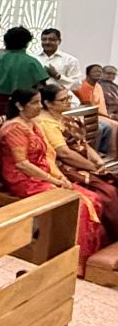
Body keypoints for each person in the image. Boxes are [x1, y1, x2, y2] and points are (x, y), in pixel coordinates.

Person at [0, 88, 105, 275]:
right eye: (34, 103)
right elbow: (22, 164)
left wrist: (61, 178)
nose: (39, 107)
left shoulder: (32, 124)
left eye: (40, 102)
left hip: (42, 174)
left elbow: (48, 155)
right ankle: (69, 261)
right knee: (79, 204)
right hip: (24, 179)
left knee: (93, 198)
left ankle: (77, 253)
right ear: (20, 106)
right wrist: (52, 180)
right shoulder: (14, 129)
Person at [36, 84, 118, 238]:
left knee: (113, 182)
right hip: (65, 167)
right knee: (107, 192)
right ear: (48, 103)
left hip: (81, 162)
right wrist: (91, 166)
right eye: (63, 100)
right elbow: (64, 153)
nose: (68, 101)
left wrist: (97, 160)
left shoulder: (65, 117)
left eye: (68, 97)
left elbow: (83, 144)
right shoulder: (46, 123)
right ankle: (106, 236)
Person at [0, 26, 49, 116]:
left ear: (6, 42)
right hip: (25, 104)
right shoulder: (32, 62)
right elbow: (41, 86)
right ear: (27, 43)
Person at [73, 64, 118, 156]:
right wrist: (108, 115)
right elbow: (88, 107)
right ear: (88, 73)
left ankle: (104, 152)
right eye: (95, 71)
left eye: (99, 72)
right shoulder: (84, 86)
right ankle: (103, 153)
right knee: (110, 126)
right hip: (88, 114)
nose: (98, 74)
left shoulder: (98, 86)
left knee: (110, 125)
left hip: (101, 113)